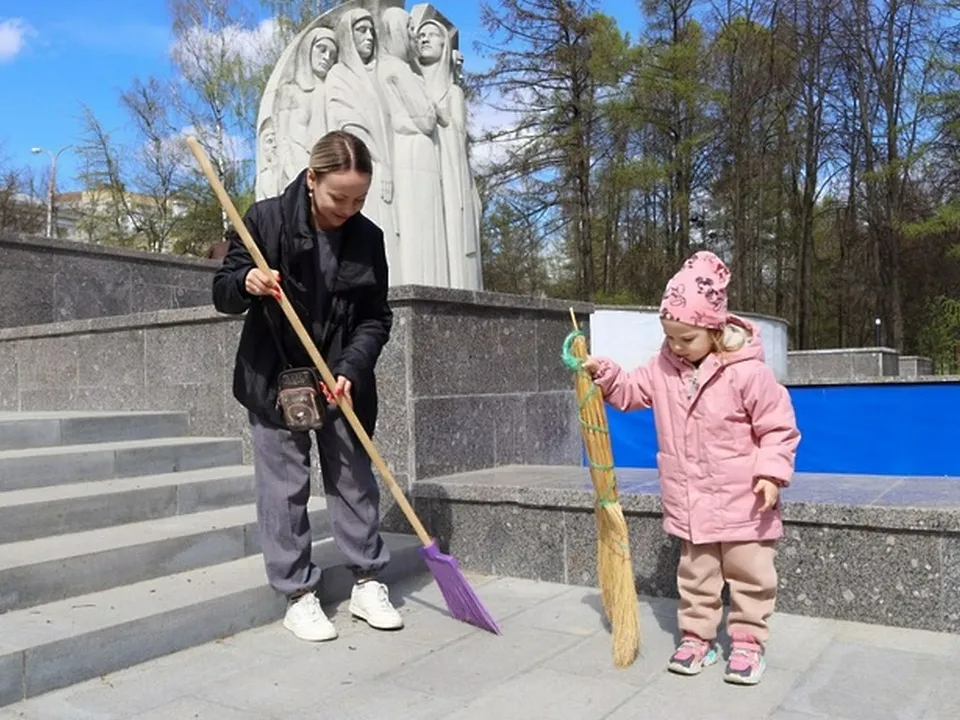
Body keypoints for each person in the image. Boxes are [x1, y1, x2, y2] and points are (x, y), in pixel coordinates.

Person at [212, 130, 402, 642]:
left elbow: (375, 318)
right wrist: (247, 280)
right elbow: (223, 292)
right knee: (283, 488)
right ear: (312, 179)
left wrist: (353, 367)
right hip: (275, 375)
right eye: (340, 197)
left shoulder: (367, 238)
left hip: (339, 377)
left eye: (359, 198)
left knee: (353, 479)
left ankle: (366, 580)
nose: (349, 208)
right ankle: (297, 592)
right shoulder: (265, 220)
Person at [582, 251, 800, 686]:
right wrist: (605, 373)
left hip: (745, 502)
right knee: (697, 577)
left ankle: (748, 642)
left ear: (714, 327)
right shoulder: (662, 368)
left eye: (686, 338)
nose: (676, 347)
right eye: (669, 337)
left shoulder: (748, 374)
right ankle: (697, 636)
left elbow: (779, 428)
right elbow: (628, 392)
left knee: (750, 575)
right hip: (692, 501)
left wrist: (771, 474)